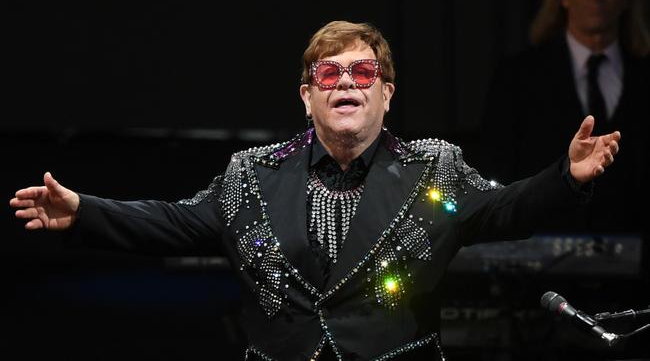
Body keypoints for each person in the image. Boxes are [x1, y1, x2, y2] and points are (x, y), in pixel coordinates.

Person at [10, 20, 621, 361]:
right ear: (307, 97)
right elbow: (173, 223)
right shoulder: (250, 174)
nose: (345, 83)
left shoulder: (436, 171)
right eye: (328, 73)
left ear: (387, 94)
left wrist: (565, 178)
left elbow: (506, 208)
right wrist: (84, 211)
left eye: (363, 72)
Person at [480, 0, 649, 236]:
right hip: (536, 260)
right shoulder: (517, 78)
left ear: (627, 0)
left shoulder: (644, 76)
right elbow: (496, 183)